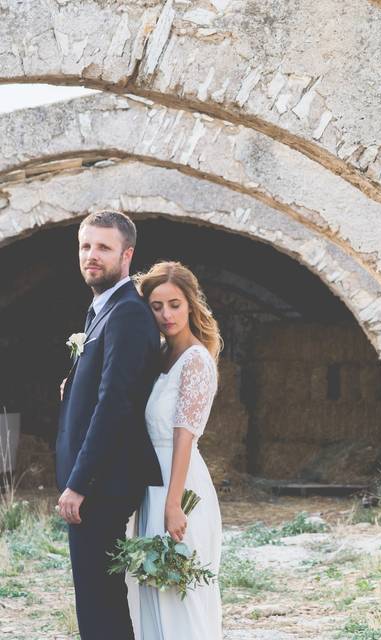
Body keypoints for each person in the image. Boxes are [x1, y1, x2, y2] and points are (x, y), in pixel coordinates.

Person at [56, 210, 164, 640]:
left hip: (103, 481)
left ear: (127, 254)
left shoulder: (127, 313)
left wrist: (80, 481)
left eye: (103, 247)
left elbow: (115, 404)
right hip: (95, 479)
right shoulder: (101, 309)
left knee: (100, 599)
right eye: (85, 246)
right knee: (96, 595)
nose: (91, 256)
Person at [132, 260, 223, 639]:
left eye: (174, 304)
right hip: (152, 483)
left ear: (190, 304)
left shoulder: (196, 361)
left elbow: (185, 435)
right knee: (152, 587)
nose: (166, 314)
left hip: (180, 484)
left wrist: (173, 504)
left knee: (179, 589)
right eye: (156, 306)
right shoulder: (160, 355)